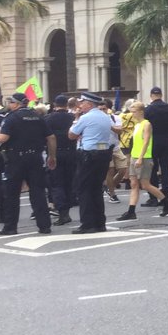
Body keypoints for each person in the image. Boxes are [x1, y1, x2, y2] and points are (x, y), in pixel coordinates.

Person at [0, 91, 55, 235]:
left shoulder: (11, 118)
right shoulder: (37, 116)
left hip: (16, 159)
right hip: (35, 158)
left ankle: (10, 227)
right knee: (38, 193)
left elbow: (3, 138)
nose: (9, 105)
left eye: (10, 102)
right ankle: (44, 226)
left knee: (12, 194)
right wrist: (52, 156)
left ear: (16, 103)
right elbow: (51, 137)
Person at [116, 101, 168, 219]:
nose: (132, 114)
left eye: (134, 112)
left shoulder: (146, 124)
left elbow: (146, 141)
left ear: (141, 112)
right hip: (135, 156)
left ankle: (166, 203)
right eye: (131, 112)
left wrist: (140, 158)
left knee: (145, 184)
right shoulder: (137, 125)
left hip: (143, 158)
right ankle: (131, 211)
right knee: (134, 184)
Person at [68, 93, 115, 234]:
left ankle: (87, 224)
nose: (80, 105)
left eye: (82, 103)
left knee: (84, 190)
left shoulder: (85, 118)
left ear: (89, 104)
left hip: (88, 156)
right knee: (96, 189)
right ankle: (100, 223)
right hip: (103, 155)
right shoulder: (105, 117)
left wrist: (76, 119)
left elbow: (71, 135)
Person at [143, 86, 168, 205]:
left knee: (152, 169)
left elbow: (144, 126)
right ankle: (165, 195)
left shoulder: (148, 110)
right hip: (166, 140)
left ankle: (154, 197)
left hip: (152, 141)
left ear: (151, 96)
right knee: (166, 168)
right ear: (161, 95)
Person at [44, 95, 77, 226]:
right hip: (71, 152)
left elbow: (44, 136)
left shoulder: (48, 118)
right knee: (69, 182)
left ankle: (62, 212)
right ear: (67, 105)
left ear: (54, 104)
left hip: (54, 153)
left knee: (56, 183)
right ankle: (67, 212)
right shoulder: (73, 118)